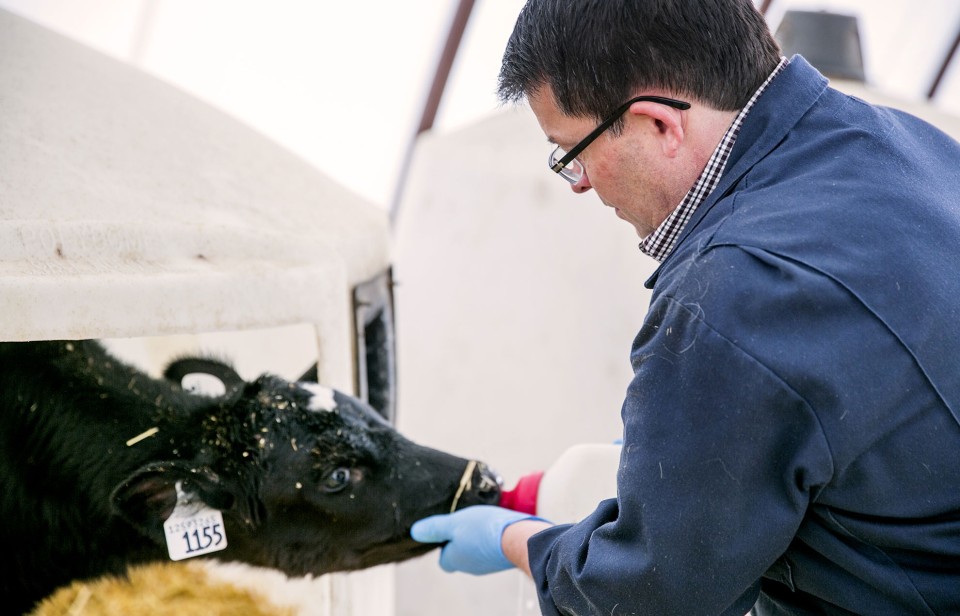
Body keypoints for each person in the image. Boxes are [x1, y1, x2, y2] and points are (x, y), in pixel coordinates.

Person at [411, 0, 960, 614]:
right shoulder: (914, 146)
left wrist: (521, 543)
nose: (581, 183)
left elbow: (648, 598)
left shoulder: (734, 294)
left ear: (659, 125)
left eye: (572, 154)